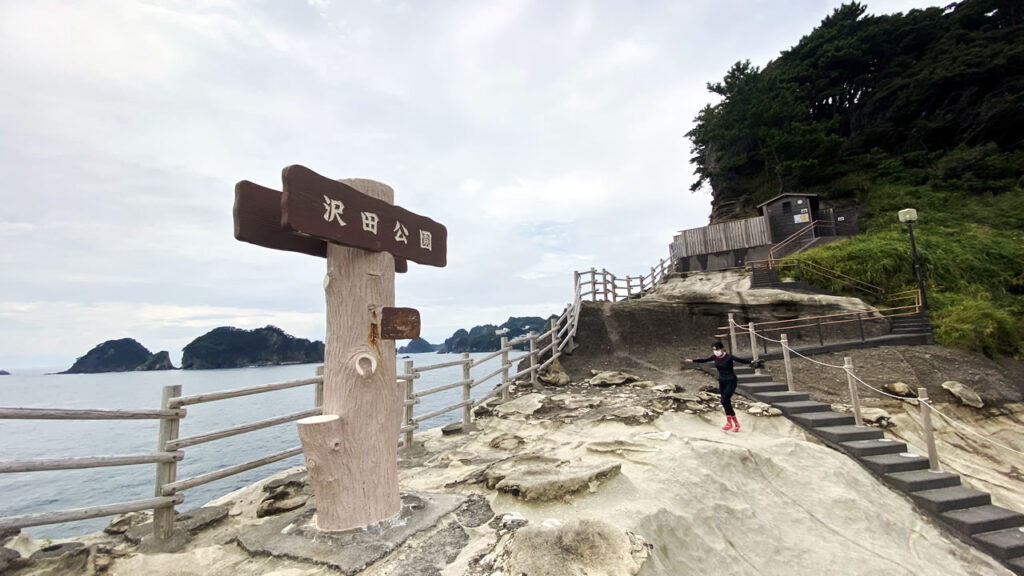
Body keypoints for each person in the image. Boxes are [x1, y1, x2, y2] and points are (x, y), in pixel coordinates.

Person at [684, 342, 754, 432]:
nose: (715, 351)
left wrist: (751, 362)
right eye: (714, 350)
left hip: (731, 380)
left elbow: (740, 360)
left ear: (722, 349)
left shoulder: (728, 357)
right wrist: (693, 361)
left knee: (725, 399)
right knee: (724, 401)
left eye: (717, 349)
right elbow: (705, 360)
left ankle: (736, 424)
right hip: (722, 381)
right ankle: (730, 423)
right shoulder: (714, 357)